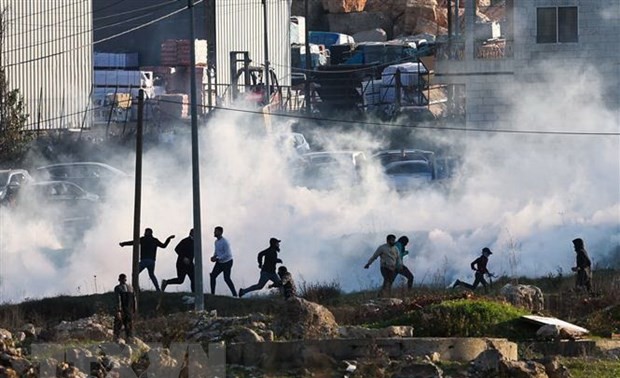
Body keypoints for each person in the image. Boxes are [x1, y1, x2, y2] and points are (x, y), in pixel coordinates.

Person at [162, 229, 195, 293]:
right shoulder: (185, 240)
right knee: (180, 280)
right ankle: (166, 282)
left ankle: (194, 294)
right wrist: (184, 258)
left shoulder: (196, 242)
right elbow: (177, 249)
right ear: (191, 233)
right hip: (181, 264)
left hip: (190, 264)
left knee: (194, 279)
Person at [209, 226, 237, 297]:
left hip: (227, 262)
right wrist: (214, 256)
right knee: (213, 276)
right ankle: (212, 294)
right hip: (220, 262)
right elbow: (217, 251)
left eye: (216, 231)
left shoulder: (225, 242)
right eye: (214, 231)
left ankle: (235, 294)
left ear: (220, 232)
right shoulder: (216, 242)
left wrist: (218, 258)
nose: (214, 232)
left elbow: (227, 254)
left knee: (227, 278)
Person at [113, 273, 136, 340]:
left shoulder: (118, 288)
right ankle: (130, 341)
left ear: (119, 279)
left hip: (122, 310)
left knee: (117, 327)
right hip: (130, 311)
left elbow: (118, 300)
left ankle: (116, 341)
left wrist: (118, 311)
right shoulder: (131, 288)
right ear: (126, 279)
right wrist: (134, 310)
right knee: (129, 328)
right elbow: (134, 300)